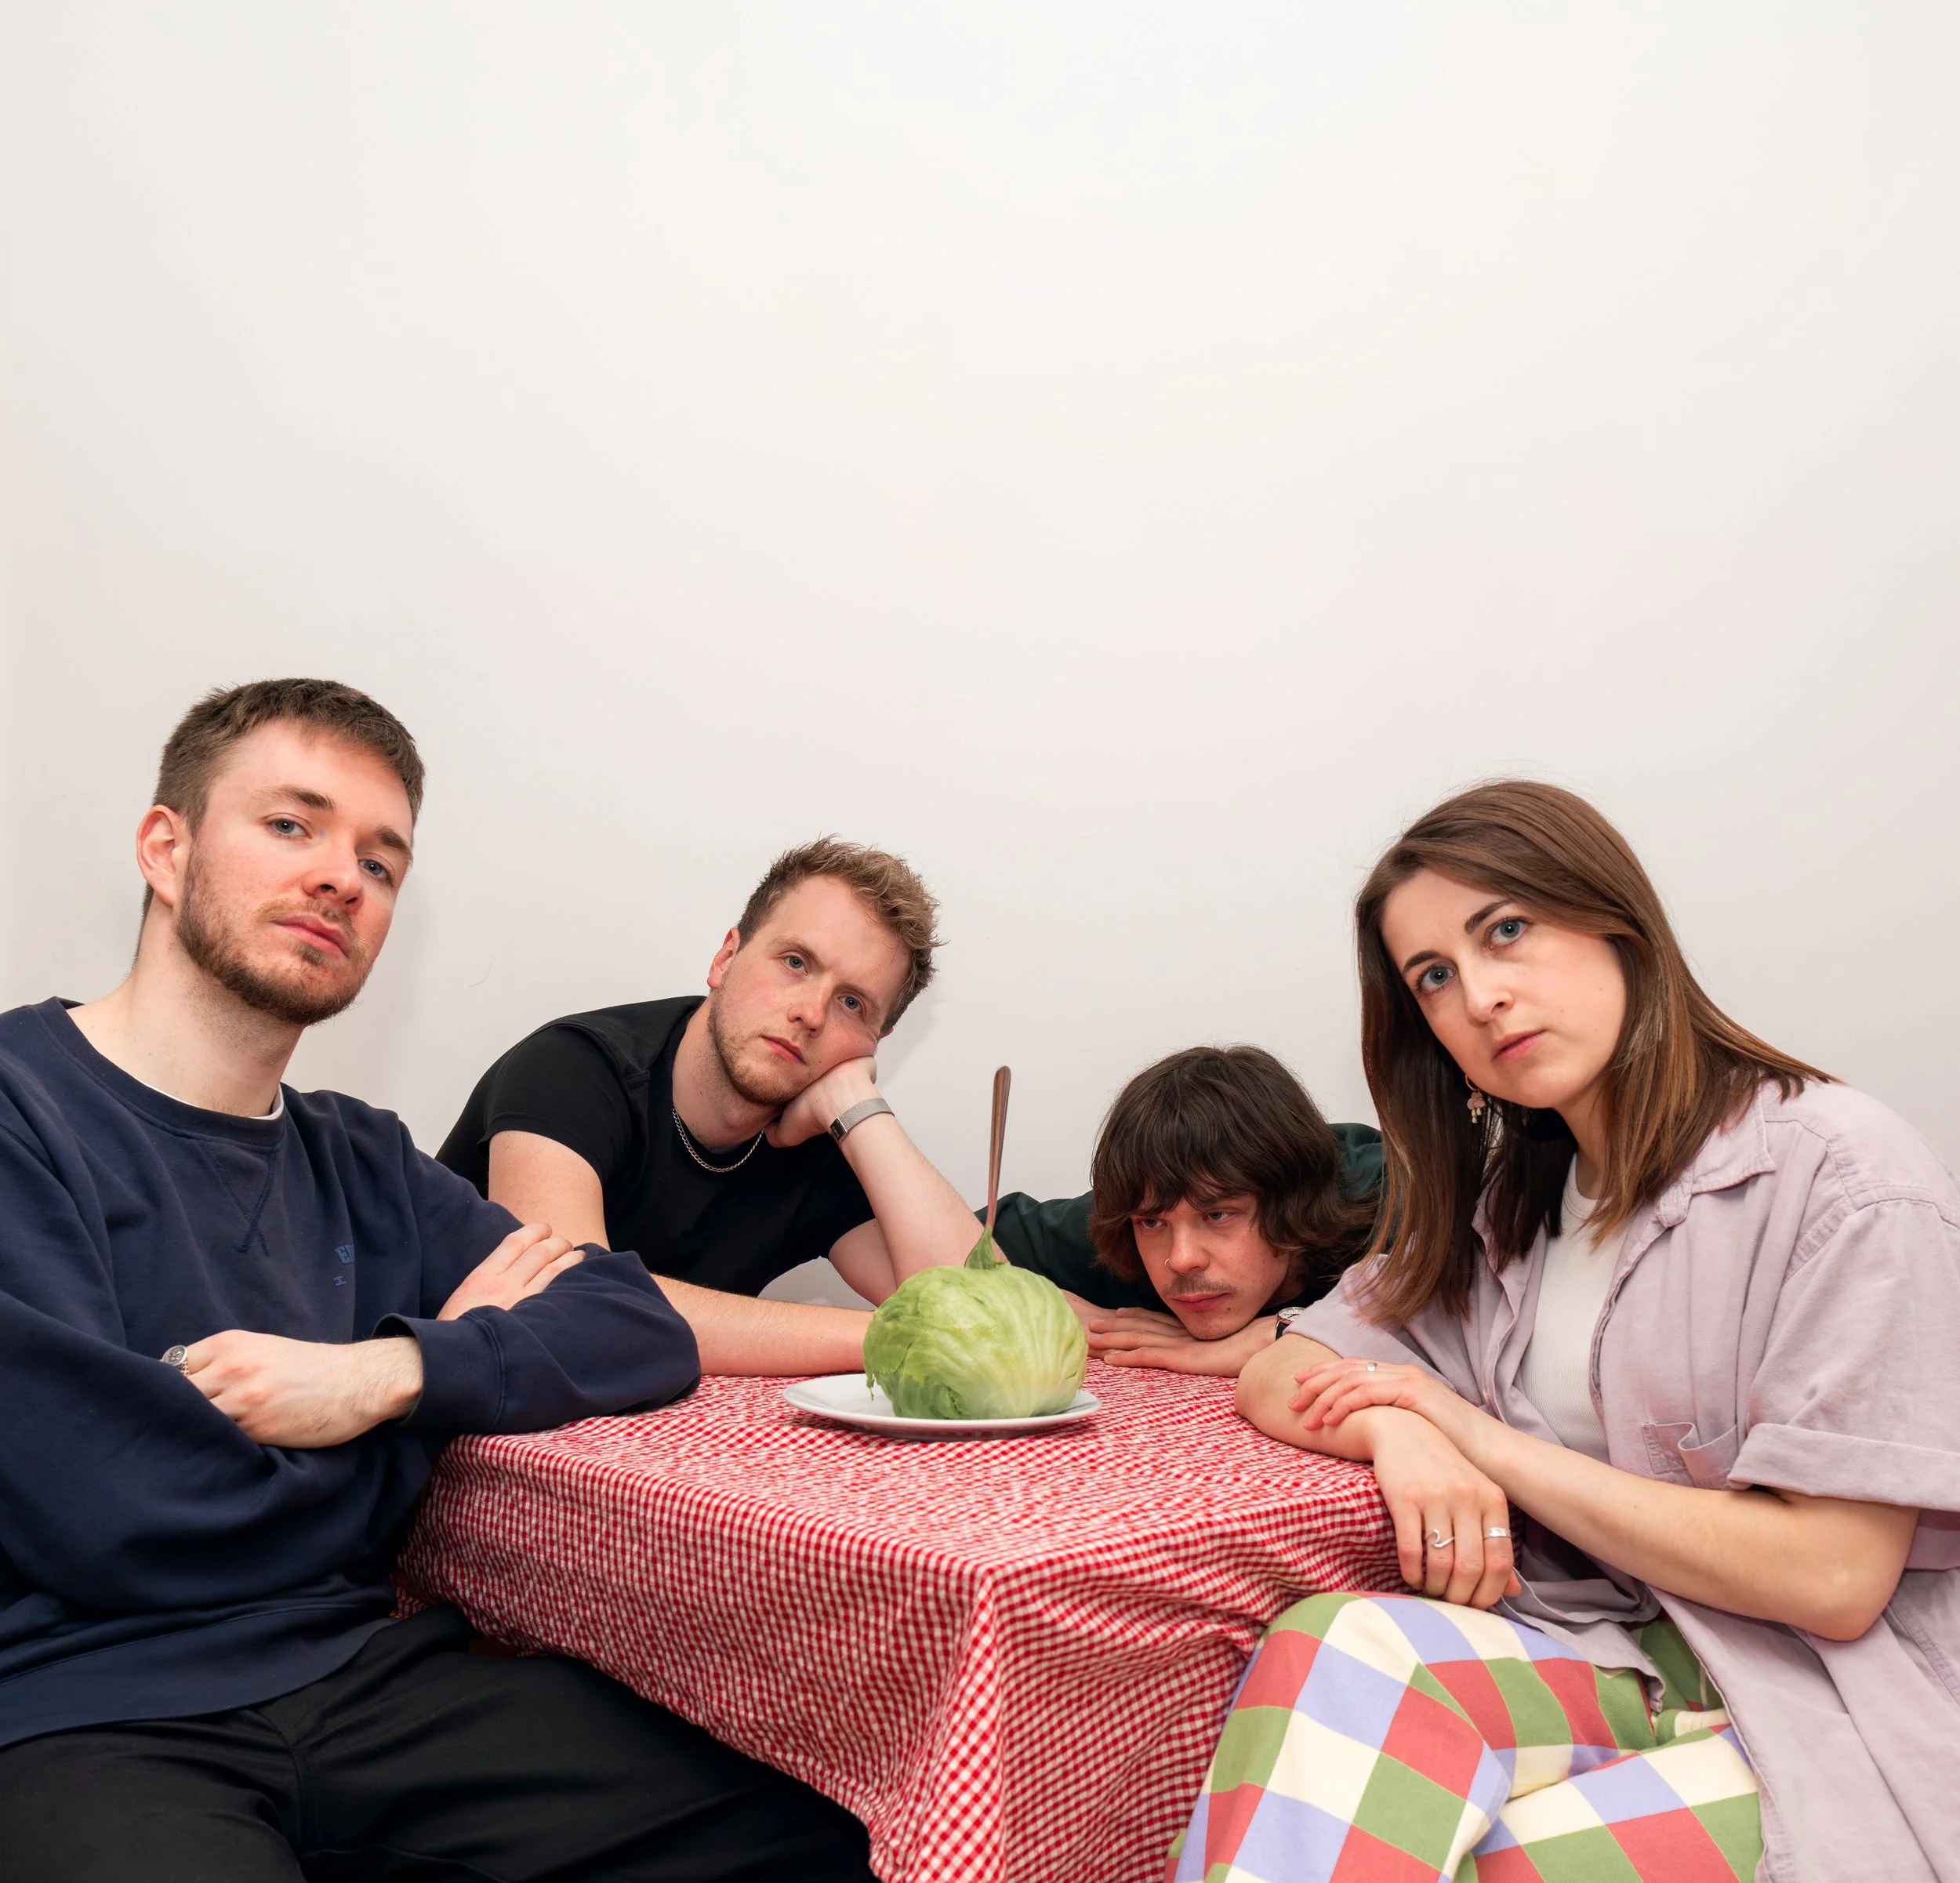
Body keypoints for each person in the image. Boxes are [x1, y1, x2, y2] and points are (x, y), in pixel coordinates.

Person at [0, 679, 873, 1883]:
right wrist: (411, 1436)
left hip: (359, 1675)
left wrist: (393, 1372)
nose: (341, 878)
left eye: (381, 860)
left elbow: (631, 1323)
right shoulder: (19, 1112)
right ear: (167, 846)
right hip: (79, 1712)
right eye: (292, 825)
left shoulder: (359, 1154)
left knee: (827, 1841)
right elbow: (122, 1518)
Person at [1175, 782, 1960, 1883]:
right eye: (1435, 978)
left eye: (1507, 931)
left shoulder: (1846, 1176)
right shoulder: (1512, 1206)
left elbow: (1832, 1578)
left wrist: (1474, 1436)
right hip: (1608, 1654)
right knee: (1330, 1646)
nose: (1481, 996)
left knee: (1479, 1857)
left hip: (1816, 1698)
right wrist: (1400, 1434)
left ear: (1616, 921)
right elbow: (1287, 1363)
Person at [437, 839, 985, 1374]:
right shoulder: (572, 1069)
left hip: (621, 1448)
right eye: (796, 962)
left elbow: (984, 1318)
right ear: (726, 957)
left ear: (875, 1040)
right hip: (417, 1432)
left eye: (852, 1004)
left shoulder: (819, 1142)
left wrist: (858, 1103)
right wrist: (887, 1336)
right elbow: (572, 1304)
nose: (812, 1014)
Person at [989, 1045, 1381, 1374]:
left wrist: (1280, 1332)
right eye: (1154, 1223)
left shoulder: (1392, 1198)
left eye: (1217, 1215)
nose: (1181, 1260)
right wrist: (1051, 1306)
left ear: (1296, 1201)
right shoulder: (1132, 1214)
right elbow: (960, 1251)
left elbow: (1437, 1319)